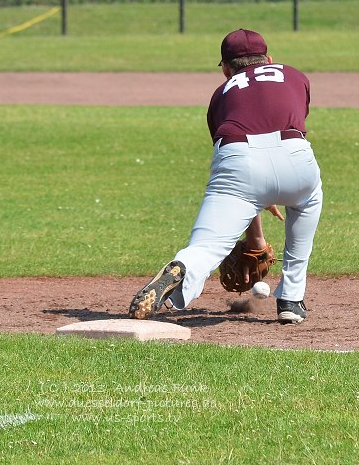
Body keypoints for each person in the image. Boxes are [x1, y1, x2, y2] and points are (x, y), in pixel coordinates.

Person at [129, 28, 323, 324]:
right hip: (296, 157)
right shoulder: (294, 75)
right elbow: (286, 124)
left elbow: (243, 175)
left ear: (226, 69)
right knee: (308, 200)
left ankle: (184, 268)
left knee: (205, 247)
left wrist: (255, 231)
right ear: (269, 59)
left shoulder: (222, 93)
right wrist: (270, 196)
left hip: (239, 162)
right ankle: (291, 300)